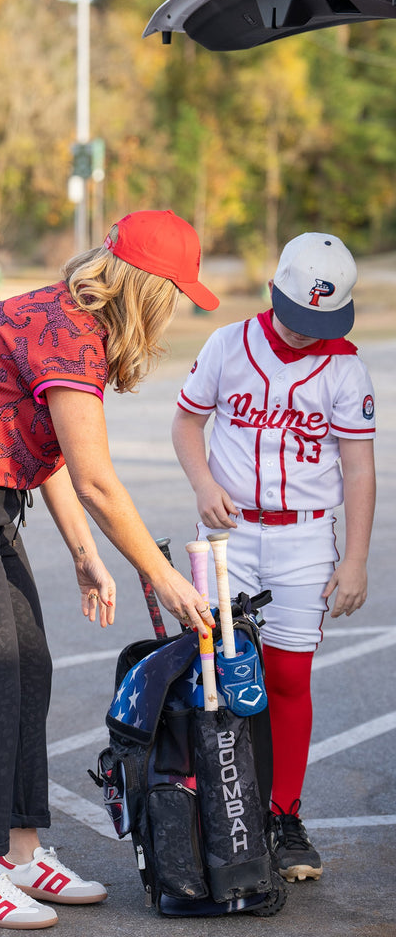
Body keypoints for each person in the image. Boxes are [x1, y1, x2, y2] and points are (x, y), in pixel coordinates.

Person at [0, 210, 219, 930]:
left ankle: (22, 856)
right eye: (175, 292)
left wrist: (86, 554)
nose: (176, 307)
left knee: (28, 666)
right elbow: (97, 480)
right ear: (145, 288)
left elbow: (54, 457)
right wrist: (163, 577)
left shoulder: (70, 323)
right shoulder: (67, 334)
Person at [171, 232, 376, 884]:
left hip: (305, 538)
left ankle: (283, 819)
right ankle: (220, 813)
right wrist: (204, 486)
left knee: (287, 678)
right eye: (297, 316)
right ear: (273, 291)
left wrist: (357, 560)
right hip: (231, 536)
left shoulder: (345, 367)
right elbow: (186, 422)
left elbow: (361, 469)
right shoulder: (227, 345)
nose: (304, 333)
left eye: (321, 321)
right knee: (220, 676)